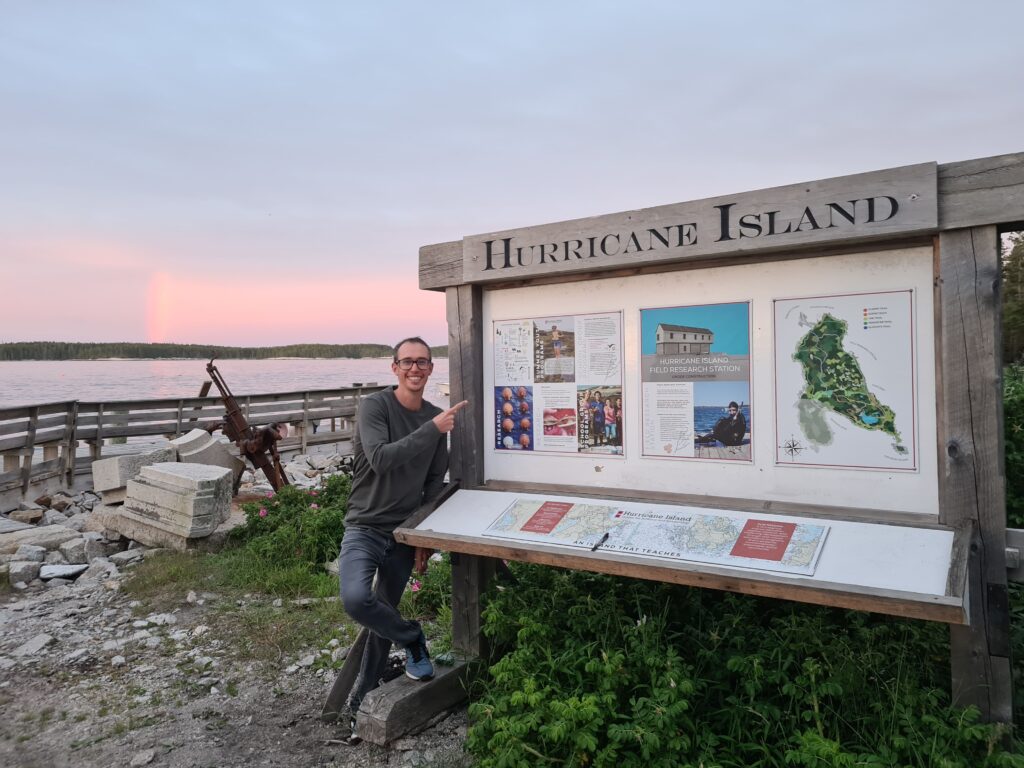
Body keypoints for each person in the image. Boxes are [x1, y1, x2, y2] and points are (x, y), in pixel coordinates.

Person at [338, 336, 468, 737]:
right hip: (364, 525)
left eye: (423, 362)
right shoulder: (376, 407)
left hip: (402, 534)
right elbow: (380, 459)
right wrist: (433, 429)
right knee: (356, 598)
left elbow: (433, 484)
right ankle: (413, 638)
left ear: (431, 369)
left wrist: (421, 539)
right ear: (394, 367)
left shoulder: (435, 419)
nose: (415, 368)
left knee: (384, 615)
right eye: (408, 361)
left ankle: (361, 700)